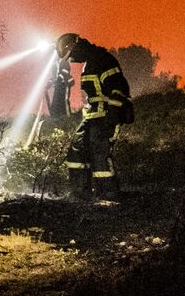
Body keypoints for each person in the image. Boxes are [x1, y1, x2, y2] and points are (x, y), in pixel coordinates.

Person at [55, 32, 134, 200]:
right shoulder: (90, 63)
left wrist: (113, 115)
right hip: (92, 116)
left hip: (107, 115)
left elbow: (118, 87)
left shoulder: (103, 60)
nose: (73, 60)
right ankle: (80, 194)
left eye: (71, 56)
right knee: (76, 151)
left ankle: (109, 195)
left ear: (75, 46)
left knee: (100, 155)